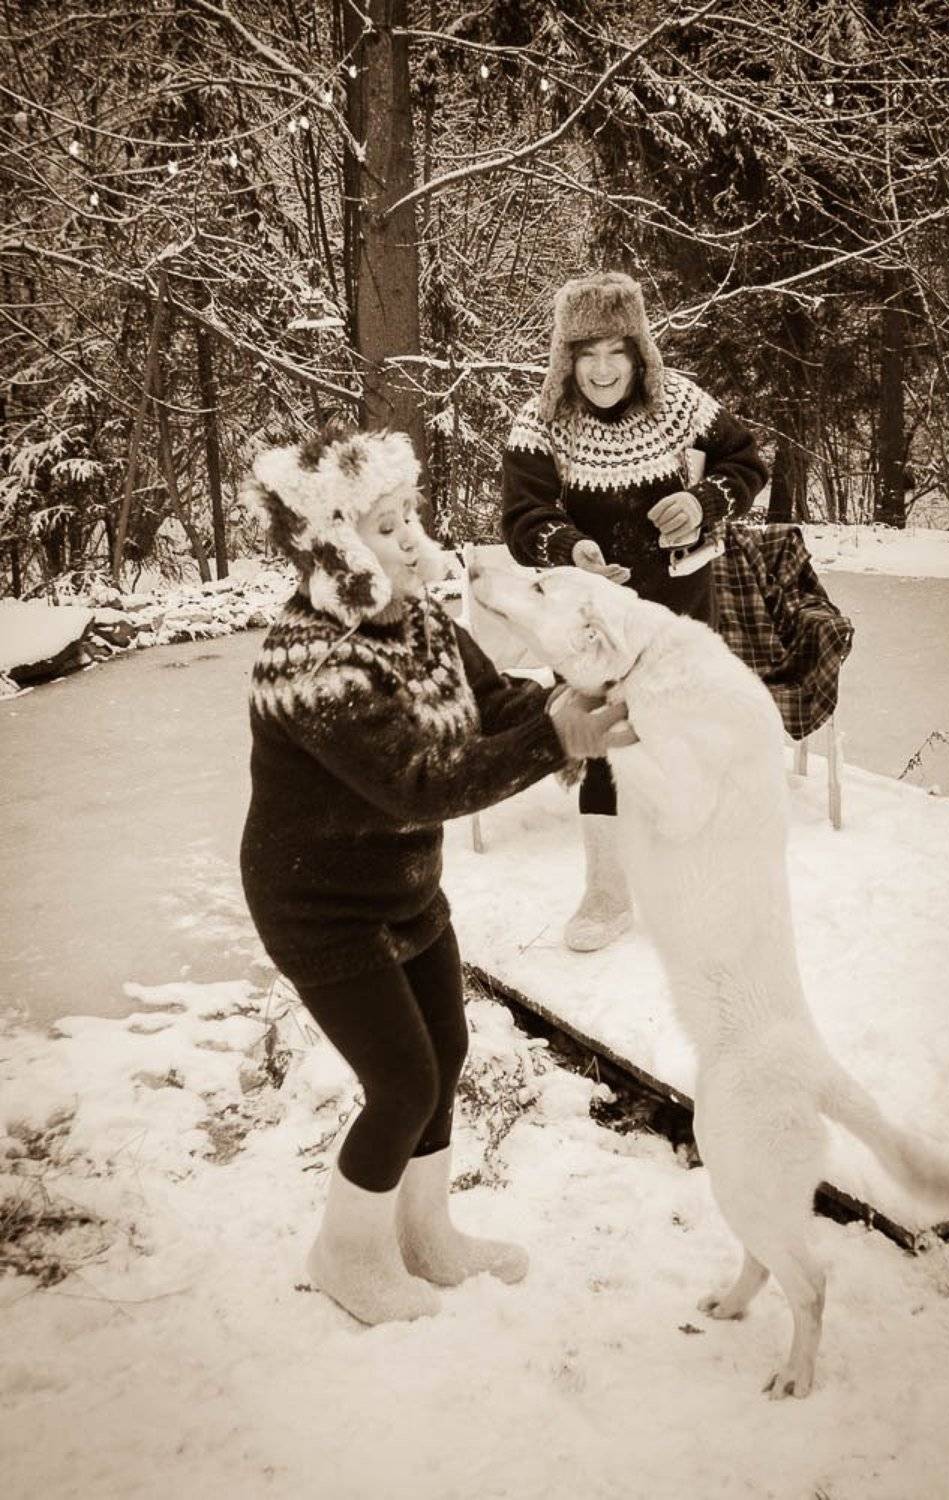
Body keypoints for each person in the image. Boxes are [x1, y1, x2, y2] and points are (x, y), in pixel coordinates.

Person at [240, 420, 630, 1327]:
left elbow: (494, 706)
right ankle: (347, 1256)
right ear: (333, 551)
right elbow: (422, 783)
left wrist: (575, 699)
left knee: (445, 1056)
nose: (413, 539)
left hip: (403, 886)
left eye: (410, 514)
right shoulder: (311, 663)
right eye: (385, 526)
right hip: (318, 907)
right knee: (403, 1085)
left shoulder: (423, 623)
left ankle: (425, 1236)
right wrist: (556, 740)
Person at [502, 271, 768, 952]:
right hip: (593, 631)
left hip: (678, 612)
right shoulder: (540, 421)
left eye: (615, 352)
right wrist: (570, 546)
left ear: (639, 352)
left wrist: (705, 502)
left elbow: (745, 462)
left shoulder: (681, 403)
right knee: (605, 746)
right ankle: (607, 891)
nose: (601, 369)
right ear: (565, 358)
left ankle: (703, 884)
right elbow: (523, 516)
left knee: (689, 743)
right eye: (585, 354)